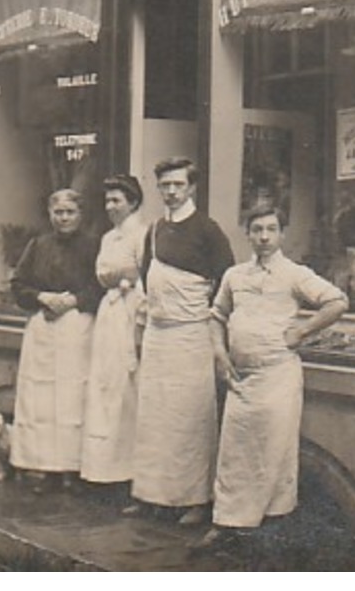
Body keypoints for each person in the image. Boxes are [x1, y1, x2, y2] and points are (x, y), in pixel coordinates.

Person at [199, 207, 348, 546]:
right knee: (234, 452)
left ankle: (271, 529)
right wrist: (220, 353)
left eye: (270, 229)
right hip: (241, 378)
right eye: (256, 230)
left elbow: (337, 302)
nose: (264, 237)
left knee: (275, 454)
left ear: (281, 233)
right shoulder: (235, 276)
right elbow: (216, 316)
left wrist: (303, 330)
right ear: (247, 234)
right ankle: (226, 523)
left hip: (277, 376)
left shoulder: (294, 273)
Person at [127, 157, 234, 526]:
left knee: (191, 417)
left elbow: (226, 282)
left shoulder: (208, 230)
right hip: (159, 334)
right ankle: (152, 495)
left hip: (191, 335)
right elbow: (146, 277)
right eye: (165, 186)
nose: (171, 192)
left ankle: (195, 499)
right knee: (155, 417)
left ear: (192, 187)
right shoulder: (155, 230)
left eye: (178, 185)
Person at [9, 188, 103, 493]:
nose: (63, 218)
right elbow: (18, 284)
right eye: (58, 212)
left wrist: (75, 299)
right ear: (50, 215)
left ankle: (73, 470)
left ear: (80, 214)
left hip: (78, 330)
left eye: (70, 212)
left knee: (73, 397)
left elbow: (101, 287)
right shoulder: (38, 245)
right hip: (44, 330)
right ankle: (47, 469)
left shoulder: (93, 246)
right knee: (43, 399)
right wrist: (41, 296)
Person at [80, 173, 147, 486]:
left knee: (126, 387)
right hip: (109, 311)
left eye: (117, 200)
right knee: (105, 385)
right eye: (107, 200)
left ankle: (129, 471)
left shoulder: (143, 235)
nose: (110, 206)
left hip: (130, 310)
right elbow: (101, 274)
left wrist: (139, 323)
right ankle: (102, 470)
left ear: (132, 202)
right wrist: (118, 276)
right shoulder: (108, 238)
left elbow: (142, 276)